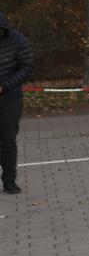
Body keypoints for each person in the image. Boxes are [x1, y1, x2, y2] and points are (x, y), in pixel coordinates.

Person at [0, 12, 34, 195]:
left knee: (8, 141)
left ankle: (9, 180)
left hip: (10, 97)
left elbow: (27, 65)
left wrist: (4, 86)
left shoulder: (17, 40)